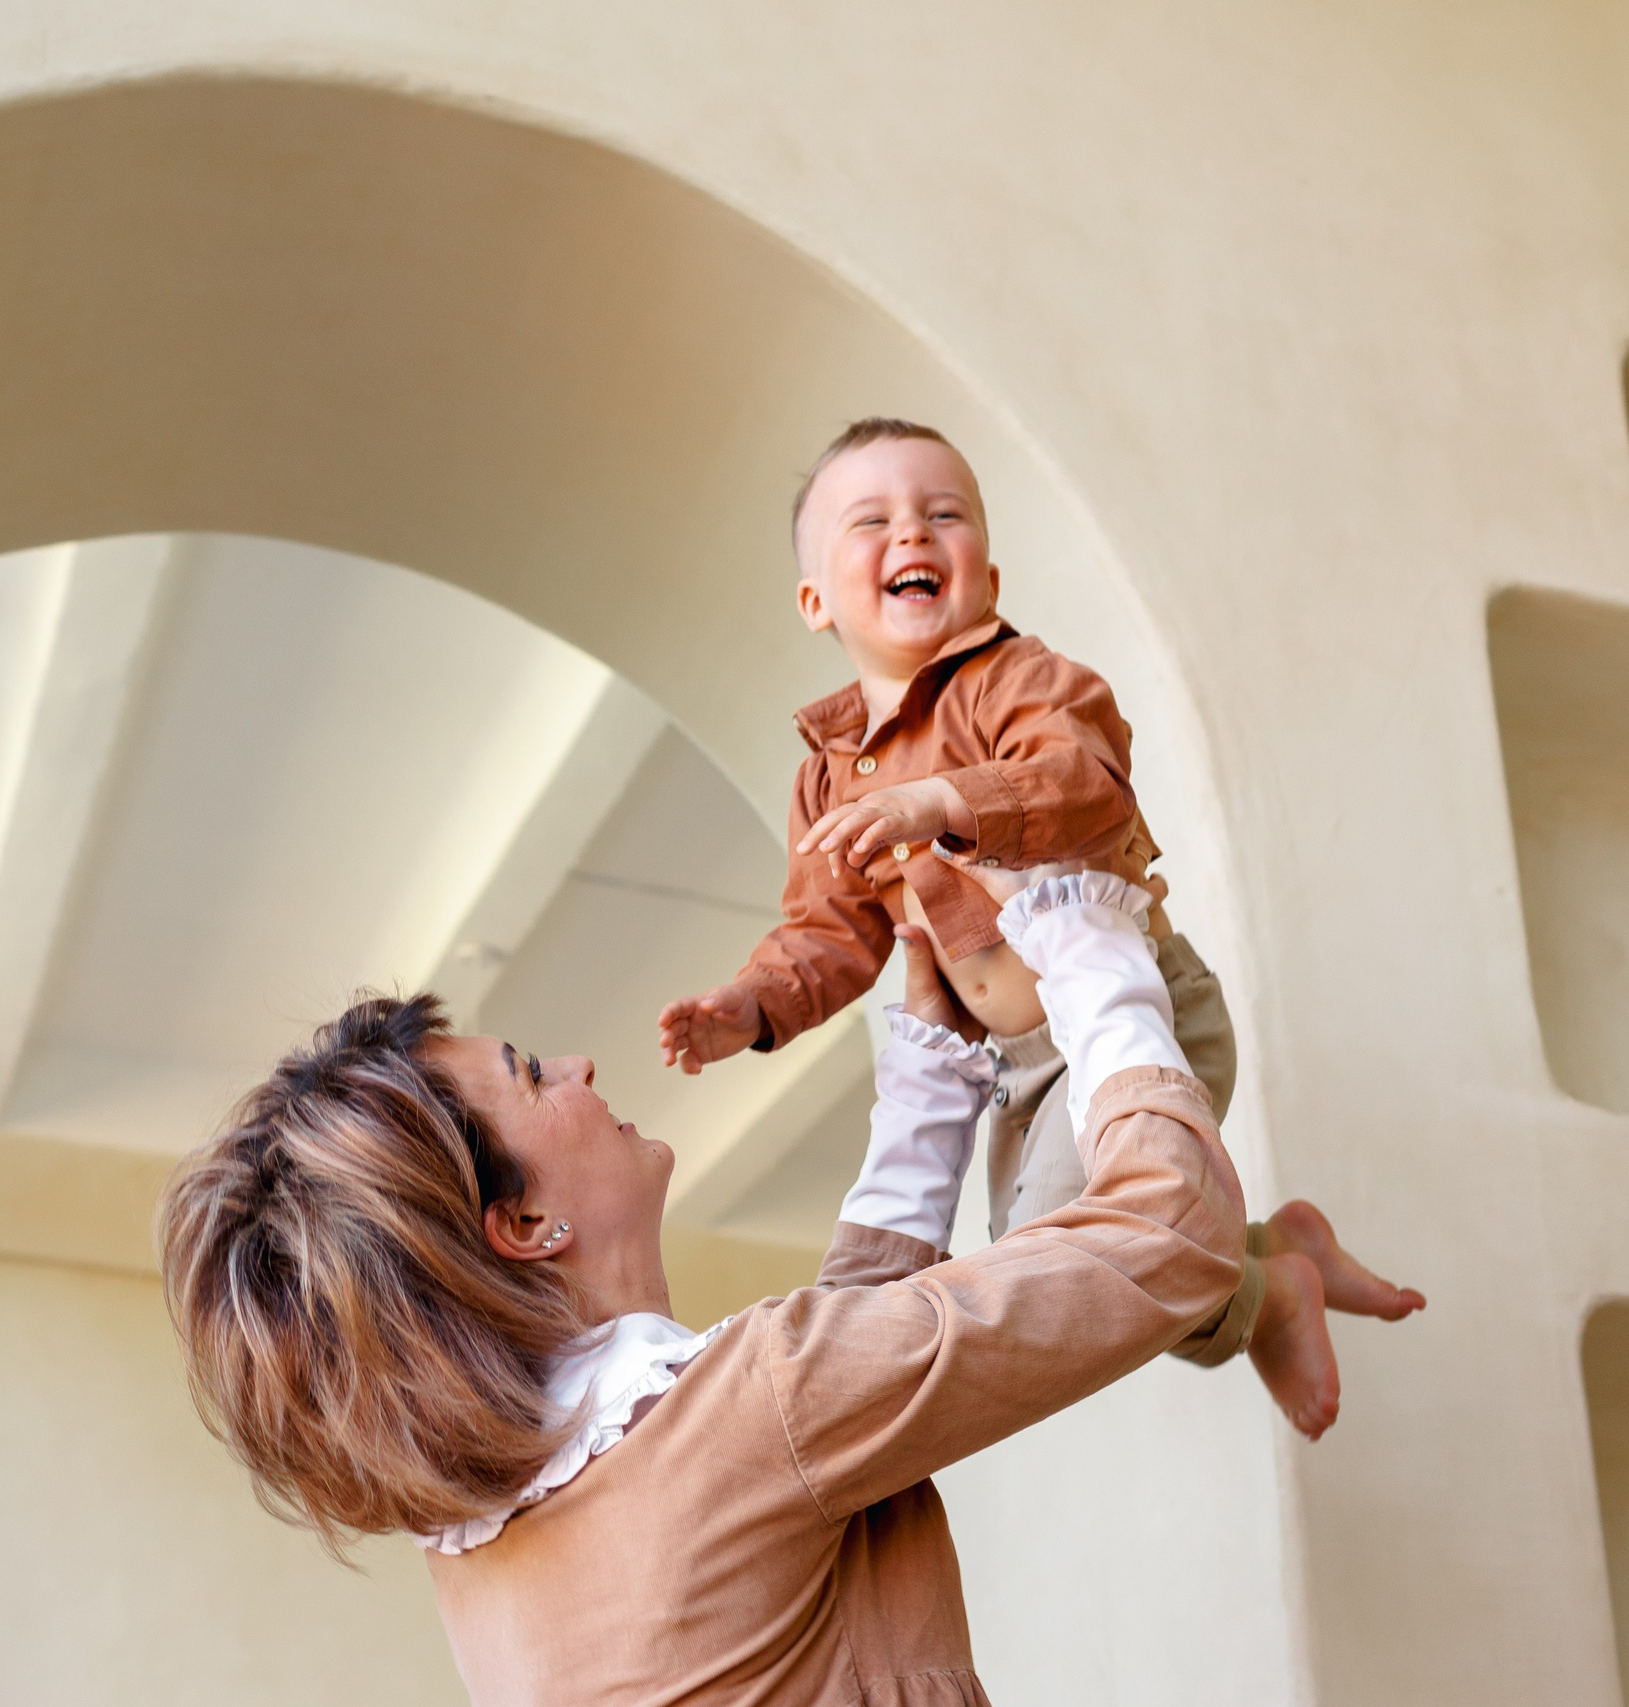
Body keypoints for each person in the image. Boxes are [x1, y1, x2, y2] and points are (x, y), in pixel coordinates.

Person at [162, 857, 1274, 1703]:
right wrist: (1089, 948)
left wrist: (928, 1090)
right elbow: (1172, 1237)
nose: (581, 1066)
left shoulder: (484, 1548)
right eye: (534, 1074)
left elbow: (820, 1400)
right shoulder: (754, 1412)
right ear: (526, 1223)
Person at [654, 417, 1419, 1437]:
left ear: (989, 572)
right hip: (1018, 1062)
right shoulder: (825, 776)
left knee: (1076, 1245)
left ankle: (1269, 1299)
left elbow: (1083, 785)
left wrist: (943, 804)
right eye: (871, 521)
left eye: (944, 514)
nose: (913, 536)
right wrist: (746, 1007)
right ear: (814, 601)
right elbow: (829, 933)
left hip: (1130, 1008)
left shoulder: (1019, 680)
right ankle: (1275, 1255)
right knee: (1043, 1257)